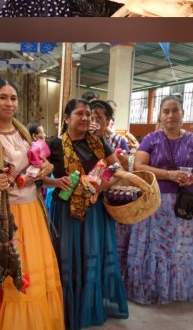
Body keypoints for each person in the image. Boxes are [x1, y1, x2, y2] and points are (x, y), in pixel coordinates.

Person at [0, 80, 64, 328]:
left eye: (13, 98)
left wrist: (45, 171)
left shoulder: (23, 133)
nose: (9, 103)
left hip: (29, 210)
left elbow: (33, 168)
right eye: (2, 97)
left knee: (28, 272)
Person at [46, 98, 128, 329]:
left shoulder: (98, 142)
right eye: (79, 113)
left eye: (88, 114)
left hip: (94, 210)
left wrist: (103, 184)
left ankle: (90, 307)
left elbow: (116, 169)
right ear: (66, 118)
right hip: (66, 210)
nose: (85, 118)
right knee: (68, 256)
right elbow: (39, 176)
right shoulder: (54, 145)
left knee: (92, 253)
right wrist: (55, 181)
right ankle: (68, 310)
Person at [126, 95, 193, 303]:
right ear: (160, 116)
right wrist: (169, 175)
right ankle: (151, 290)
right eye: (166, 111)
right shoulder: (151, 139)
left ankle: (176, 290)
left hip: (183, 205)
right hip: (154, 202)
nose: (171, 115)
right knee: (153, 247)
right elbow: (139, 167)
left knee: (178, 248)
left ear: (183, 114)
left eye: (175, 110)